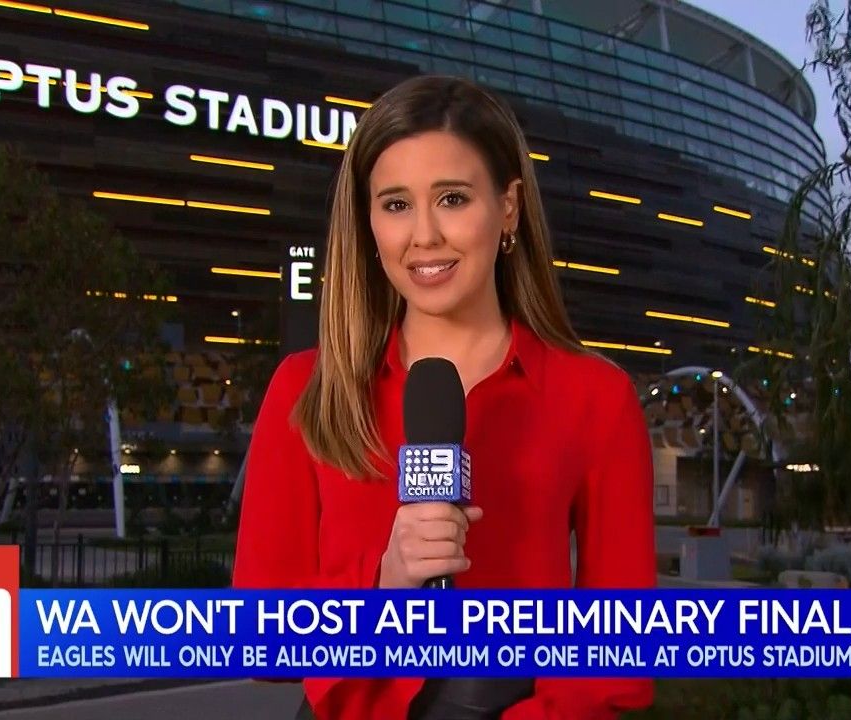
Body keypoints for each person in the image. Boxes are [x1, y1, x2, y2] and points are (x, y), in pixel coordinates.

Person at [232, 74, 656, 720]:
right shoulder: (306, 388)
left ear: (508, 207)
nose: (424, 235)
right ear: (368, 223)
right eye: (396, 204)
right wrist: (384, 584)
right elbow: (260, 640)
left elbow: (620, 656)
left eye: (452, 198)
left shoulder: (596, 397)